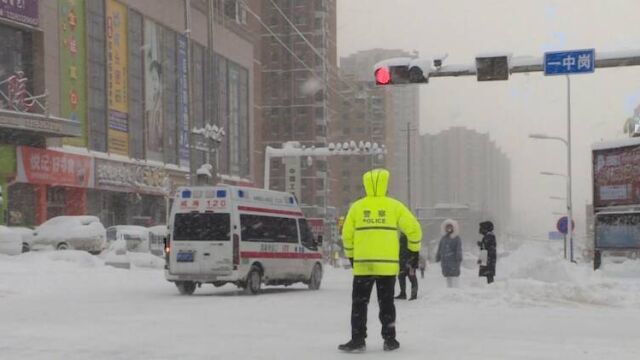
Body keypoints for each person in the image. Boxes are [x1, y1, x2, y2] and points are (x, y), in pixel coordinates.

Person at [339, 168, 422, 353]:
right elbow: (414, 229)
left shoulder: (357, 207)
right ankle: (390, 340)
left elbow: (346, 235)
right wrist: (414, 250)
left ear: (366, 184)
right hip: (387, 266)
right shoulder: (394, 206)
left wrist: (352, 255)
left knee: (359, 303)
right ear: (385, 185)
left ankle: (358, 340)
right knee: (386, 303)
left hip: (363, 265)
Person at [435, 219, 463, 288]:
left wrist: (458, 257)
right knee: (448, 277)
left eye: (450, 227)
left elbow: (458, 249)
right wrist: (438, 256)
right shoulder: (443, 238)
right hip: (445, 262)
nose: (449, 228)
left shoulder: (456, 238)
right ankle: (449, 290)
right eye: (447, 227)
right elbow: (440, 248)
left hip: (453, 261)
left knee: (454, 277)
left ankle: (456, 290)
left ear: (454, 228)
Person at [395, 234, 419, 300]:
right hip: (402, 261)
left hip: (410, 262)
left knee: (412, 278)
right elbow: (399, 249)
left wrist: (414, 263)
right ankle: (403, 294)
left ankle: (414, 295)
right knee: (401, 277)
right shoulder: (401, 237)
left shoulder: (411, 237)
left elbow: (416, 250)